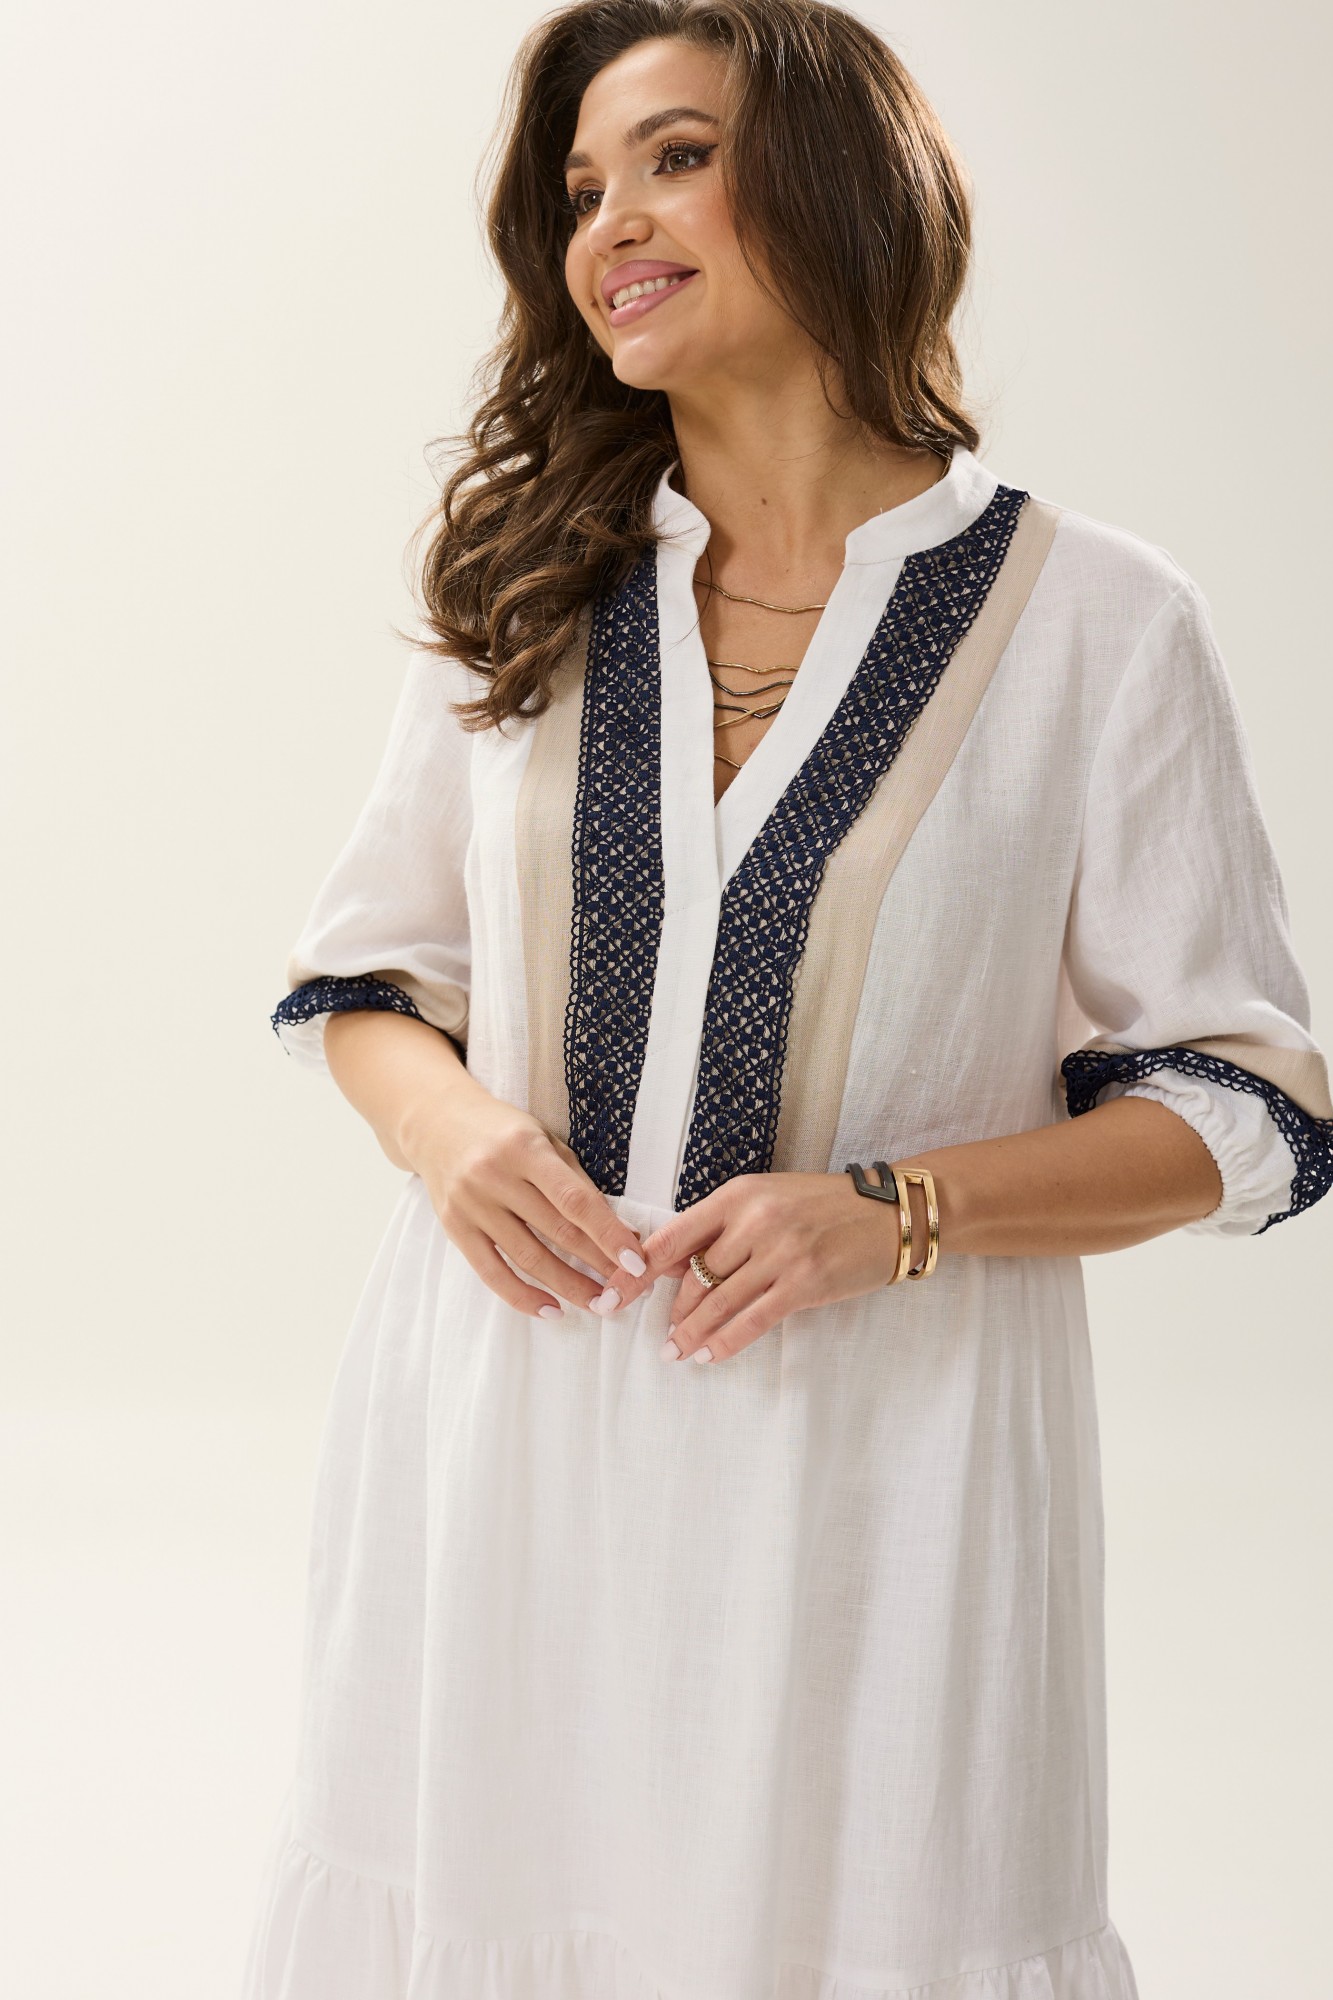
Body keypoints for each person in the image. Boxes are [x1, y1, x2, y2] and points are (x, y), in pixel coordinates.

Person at [241, 3, 1332, 1995]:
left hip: (881, 1489)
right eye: (581, 186)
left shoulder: (1095, 620)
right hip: (505, 1447)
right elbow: (370, 973)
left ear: (837, 182)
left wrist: (897, 1211)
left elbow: (1245, 1110)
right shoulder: (523, 589)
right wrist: (455, 1132)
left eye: (674, 156)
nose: (608, 222)